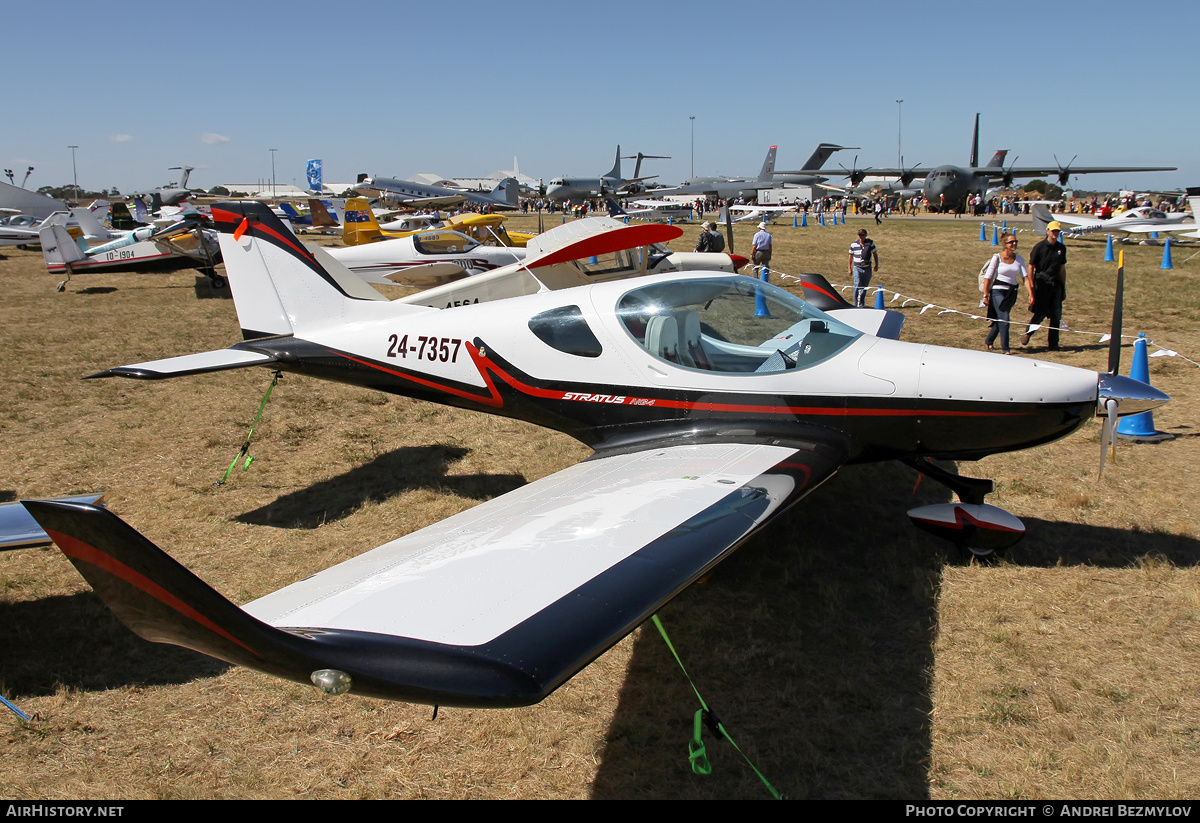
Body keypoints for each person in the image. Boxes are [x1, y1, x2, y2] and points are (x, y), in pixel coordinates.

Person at [982, 232, 1033, 354]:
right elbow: (988, 278)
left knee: (1001, 318)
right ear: (1005, 244)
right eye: (1011, 242)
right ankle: (1006, 349)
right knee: (1005, 318)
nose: (1014, 244)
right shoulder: (997, 258)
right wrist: (985, 295)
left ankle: (989, 340)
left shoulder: (1019, 259)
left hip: (1012, 292)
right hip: (998, 291)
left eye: (1015, 241)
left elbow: (1025, 278)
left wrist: (1031, 294)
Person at [1021, 220, 1068, 349]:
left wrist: (1063, 287)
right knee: (1040, 314)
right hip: (1042, 284)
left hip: (1056, 285)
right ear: (1047, 231)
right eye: (1053, 231)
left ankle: (1053, 344)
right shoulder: (1039, 247)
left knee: (1056, 316)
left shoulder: (1061, 248)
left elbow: (1062, 269)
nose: (1055, 234)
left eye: (1057, 231)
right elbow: (1031, 267)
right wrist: (1031, 286)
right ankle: (1028, 333)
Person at [848, 228, 879, 307]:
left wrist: (876, 265)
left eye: (862, 235)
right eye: (859, 235)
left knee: (864, 287)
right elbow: (850, 257)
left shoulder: (870, 244)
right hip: (857, 268)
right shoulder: (854, 244)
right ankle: (856, 303)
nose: (860, 236)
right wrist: (849, 268)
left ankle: (861, 304)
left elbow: (874, 254)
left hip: (867, 268)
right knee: (857, 284)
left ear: (865, 235)